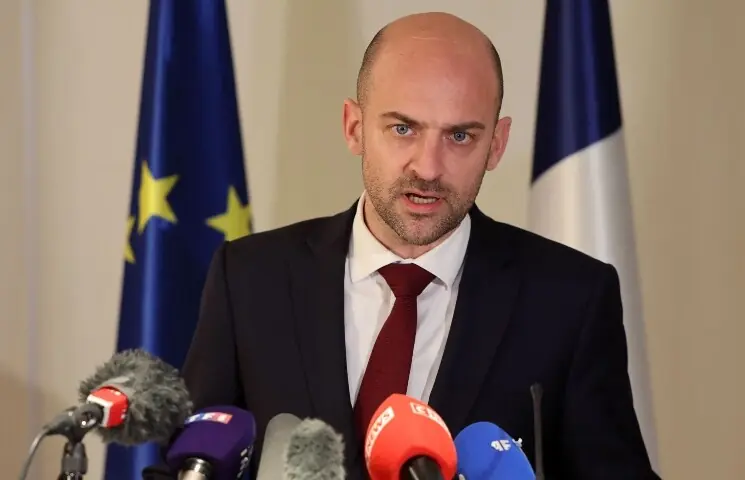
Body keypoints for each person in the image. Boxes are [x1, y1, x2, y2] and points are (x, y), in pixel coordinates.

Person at [179, 11, 660, 479]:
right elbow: (187, 461)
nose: (428, 168)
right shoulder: (250, 278)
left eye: (460, 135)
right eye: (403, 129)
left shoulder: (569, 299)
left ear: (496, 144)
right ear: (354, 127)